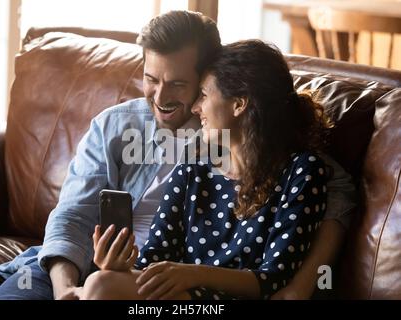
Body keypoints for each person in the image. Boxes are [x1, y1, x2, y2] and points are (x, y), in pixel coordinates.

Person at [0, 11, 355, 300]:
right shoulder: (117, 127)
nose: (161, 97)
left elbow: (334, 185)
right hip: (86, 266)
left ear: (208, 79)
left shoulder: (231, 136)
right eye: (152, 78)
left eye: (179, 84)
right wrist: (66, 288)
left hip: (170, 283)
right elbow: (72, 215)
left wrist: (301, 285)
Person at [80, 39, 332, 300]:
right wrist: (120, 267)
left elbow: (274, 277)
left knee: (102, 287)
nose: (196, 107)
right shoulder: (193, 167)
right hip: (187, 296)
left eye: (204, 95)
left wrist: (194, 274)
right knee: (102, 282)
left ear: (239, 104)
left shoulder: (301, 172)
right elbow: (154, 260)